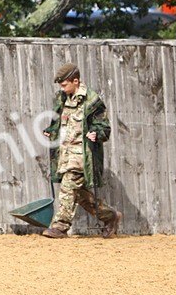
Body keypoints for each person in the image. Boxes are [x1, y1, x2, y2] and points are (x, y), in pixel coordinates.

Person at [41, 63, 122, 238]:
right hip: (65, 153)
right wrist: (51, 130)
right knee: (81, 196)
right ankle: (110, 216)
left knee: (68, 186)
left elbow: (104, 126)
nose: (62, 88)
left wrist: (96, 133)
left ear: (75, 81)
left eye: (64, 85)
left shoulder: (92, 101)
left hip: (81, 156)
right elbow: (58, 123)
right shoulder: (62, 98)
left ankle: (60, 227)